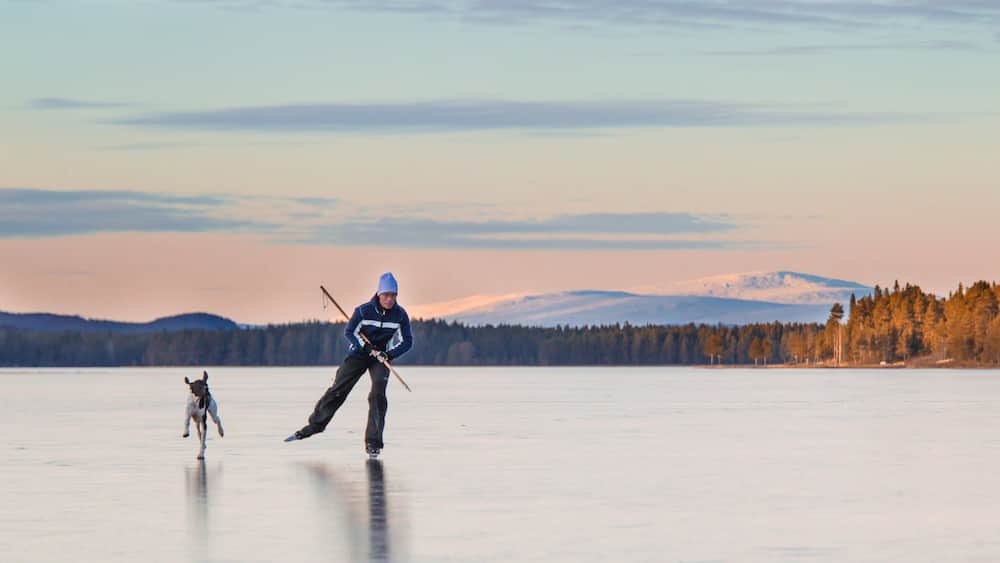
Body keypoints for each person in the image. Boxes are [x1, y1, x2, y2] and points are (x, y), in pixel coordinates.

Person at [285, 272, 413, 457]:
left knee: (378, 395)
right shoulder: (363, 311)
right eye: (386, 295)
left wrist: (388, 354)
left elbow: (408, 341)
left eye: (393, 295)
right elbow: (350, 332)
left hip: (381, 358)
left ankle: (373, 443)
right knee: (339, 389)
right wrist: (366, 347)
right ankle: (315, 426)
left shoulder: (400, 315)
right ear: (379, 294)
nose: (389, 299)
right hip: (359, 354)